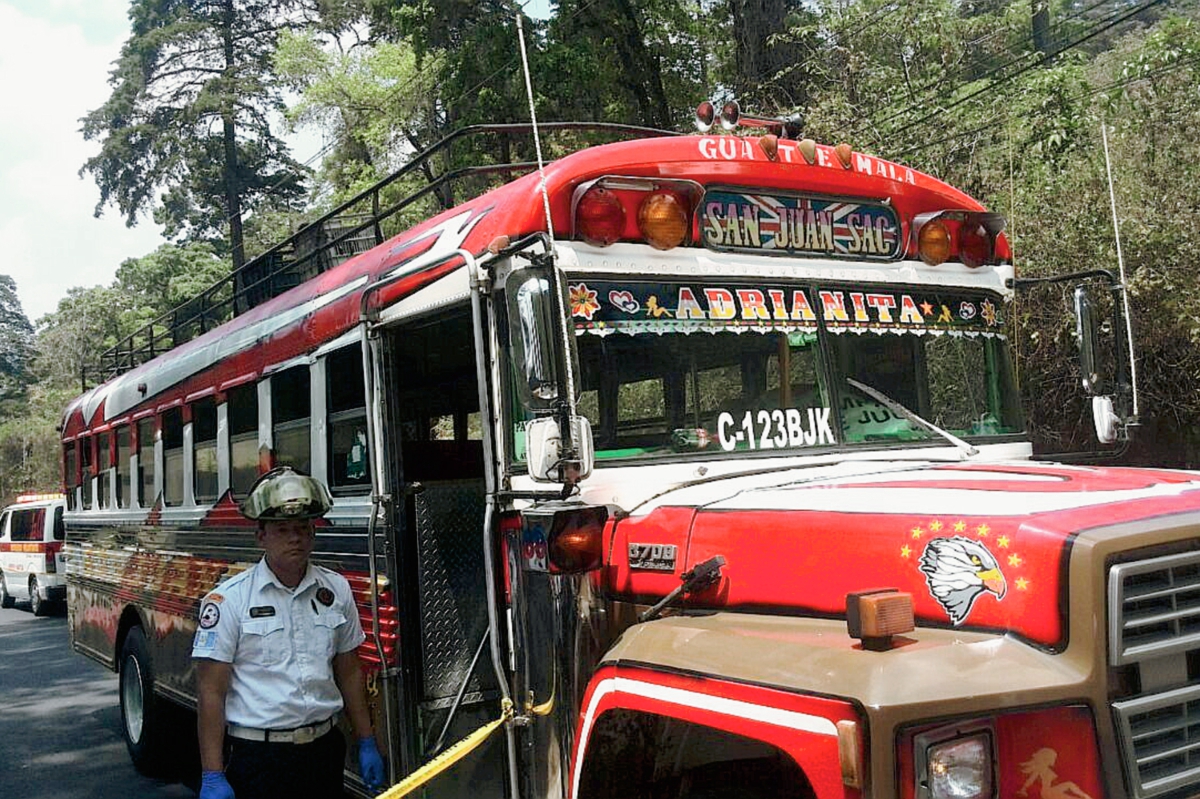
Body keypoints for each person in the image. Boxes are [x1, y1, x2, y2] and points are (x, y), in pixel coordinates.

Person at [192, 467, 386, 799]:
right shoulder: (229, 601)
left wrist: (366, 740)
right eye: (282, 530)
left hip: (323, 752)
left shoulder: (335, 590)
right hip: (259, 758)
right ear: (261, 537)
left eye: (302, 529)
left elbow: (350, 671)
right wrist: (211, 773)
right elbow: (211, 692)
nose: (294, 538)